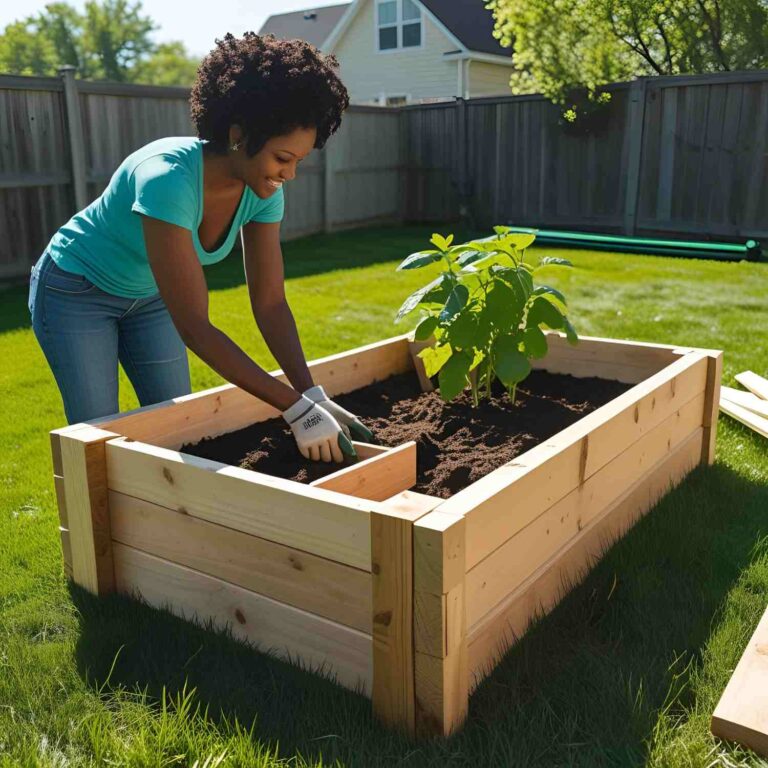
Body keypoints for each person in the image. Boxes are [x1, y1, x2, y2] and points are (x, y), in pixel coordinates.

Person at [28, 32, 372, 463]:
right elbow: (195, 326)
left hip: (149, 295)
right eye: (283, 159)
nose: (291, 174)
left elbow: (269, 303)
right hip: (76, 292)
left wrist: (312, 394)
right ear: (238, 135)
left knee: (180, 431)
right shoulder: (167, 179)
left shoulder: (262, 192)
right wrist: (295, 409)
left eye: (299, 162)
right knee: (99, 439)